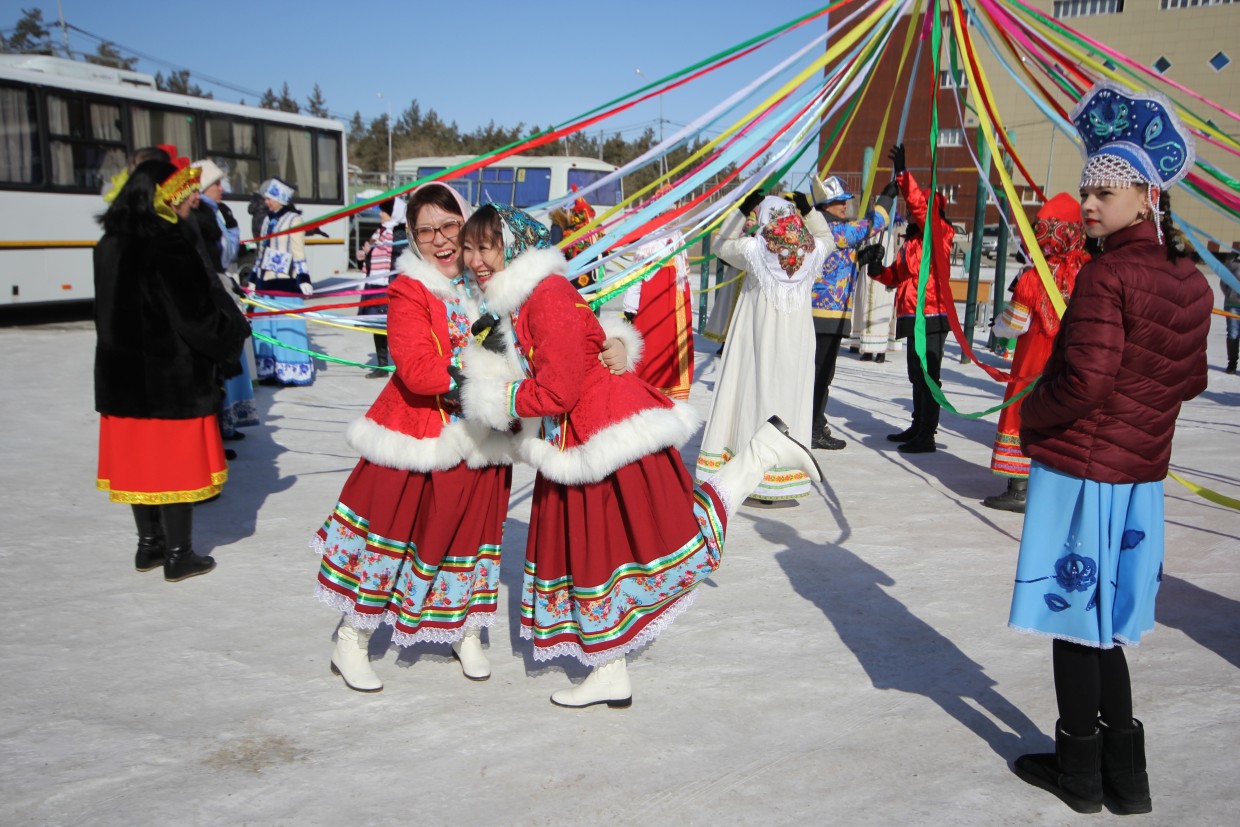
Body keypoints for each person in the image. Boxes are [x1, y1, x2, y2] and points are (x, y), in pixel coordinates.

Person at [456, 203, 824, 709]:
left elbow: (559, 390)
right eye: (470, 248)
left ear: (515, 245)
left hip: (605, 435)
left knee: (644, 542)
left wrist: (498, 400)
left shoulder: (543, 297)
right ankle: (610, 670)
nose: (476, 258)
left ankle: (762, 453)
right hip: (588, 436)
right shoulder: (526, 297)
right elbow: (584, 346)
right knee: (600, 554)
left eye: (487, 246)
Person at [313, 184, 631, 693]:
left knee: (473, 539)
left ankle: (464, 629)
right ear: (413, 239)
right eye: (425, 231)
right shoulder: (409, 290)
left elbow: (557, 325)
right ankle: (353, 636)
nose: (440, 241)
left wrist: (611, 342)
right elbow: (417, 370)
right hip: (421, 439)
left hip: (483, 442)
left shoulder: (487, 279)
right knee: (397, 539)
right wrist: (487, 380)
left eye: (449, 228)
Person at [1007, 82, 1211, 815]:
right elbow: (1191, 377)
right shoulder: (1187, 278)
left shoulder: (1106, 275)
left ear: (1144, 198)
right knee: (1104, 631)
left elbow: (1085, 380)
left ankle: (1080, 771)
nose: (1090, 203)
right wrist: (1143, 405)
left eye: (1106, 190)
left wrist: (1030, 417)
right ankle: (1127, 776)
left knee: (1073, 624)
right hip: (1138, 481)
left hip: (1085, 470)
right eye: (1087, 189)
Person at [94, 159, 250, 582]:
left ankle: (149, 547)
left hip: (121, 380)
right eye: (184, 192)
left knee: (138, 466)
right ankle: (180, 555)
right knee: (173, 468)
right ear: (164, 196)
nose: (192, 199)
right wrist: (232, 332)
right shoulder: (169, 243)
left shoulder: (109, 242)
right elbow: (194, 316)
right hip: (171, 380)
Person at [695, 194, 834, 504]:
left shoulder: (753, 249)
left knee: (752, 395)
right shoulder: (811, 250)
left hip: (757, 336)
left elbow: (719, 243)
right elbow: (828, 237)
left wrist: (741, 209)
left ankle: (749, 472)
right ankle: (779, 476)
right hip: (796, 342)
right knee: (788, 398)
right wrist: (811, 212)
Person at [982, 194, 1089, 513]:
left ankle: (1020, 488)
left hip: (1034, 362)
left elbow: (1014, 323)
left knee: (1022, 413)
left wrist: (997, 323)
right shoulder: (1090, 271)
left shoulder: (1034, 275)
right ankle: (1057, 487)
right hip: (1074, 361)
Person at [863, 144, 955, 454]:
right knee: (917, 374)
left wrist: (902, 174)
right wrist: (876, 269)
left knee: (929, 375)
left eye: (921, 211)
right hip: (912, 314)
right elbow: (898, 275)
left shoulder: (939, 233)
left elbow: (919, 206)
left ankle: (927, 433)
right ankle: (918, 425)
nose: (914, 214)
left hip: (931, 315)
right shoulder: (913, 243)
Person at [806, 175, 896, 449]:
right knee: (819, 375)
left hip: (828, 315)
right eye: (839, 202)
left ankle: (814, 424)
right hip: (824, 316)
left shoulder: (823, 228)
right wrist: (888, 195)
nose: (845, 206)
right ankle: (812, 428)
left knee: (821, 373)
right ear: (826, 205)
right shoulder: (831, 229)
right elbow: (873, 224)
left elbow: (837, 263)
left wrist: (861, 259)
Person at [192, 159, 258, 442]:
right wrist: (231, 231)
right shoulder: (203, 215)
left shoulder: (216, 212)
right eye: (217, 183)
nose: (222, 188)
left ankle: (227, 424)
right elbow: (221, 255)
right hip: (216, 287)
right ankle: (221, 426)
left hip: (224, 282)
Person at [621, 189, 695, 400]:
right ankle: (649, 388)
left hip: (677, 301)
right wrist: (631, 307)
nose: (672, 219)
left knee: (674, 346)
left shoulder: (679, 235)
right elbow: (636, 275)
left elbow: (684, 272)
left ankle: (673, 387)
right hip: (655, 301)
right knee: (653, 344)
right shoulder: (650, 238)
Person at [251, 178, 315, 386]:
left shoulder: (293, 220)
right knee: (265, 329)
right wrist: (253, 279)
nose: (266, 202)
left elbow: (298, 251)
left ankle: (291, 371)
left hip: (286, 283)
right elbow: (260, 252)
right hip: (265, 283)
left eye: (270, 198)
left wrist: (304, 278)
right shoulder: (266, 221)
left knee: (287, 329)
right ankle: (269, 370)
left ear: (281, 198)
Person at [356, 197, 409, 378]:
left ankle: (404, 366)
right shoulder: (379, 232)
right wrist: (363, 255)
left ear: (394, 213)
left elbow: (403, 261)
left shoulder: (400, 234)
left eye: (384, 210)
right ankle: (382, 365)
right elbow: (371, 255)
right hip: (375, 285)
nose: (381, 214)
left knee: (397, 328)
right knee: (378, 326)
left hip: (392, 286)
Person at [1223, 255, 1239, 374]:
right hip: (1233, 305)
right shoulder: (1232, 263)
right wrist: (1229, 295)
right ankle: (1232, 364)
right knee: (1233, 334)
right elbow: (1223, 282)